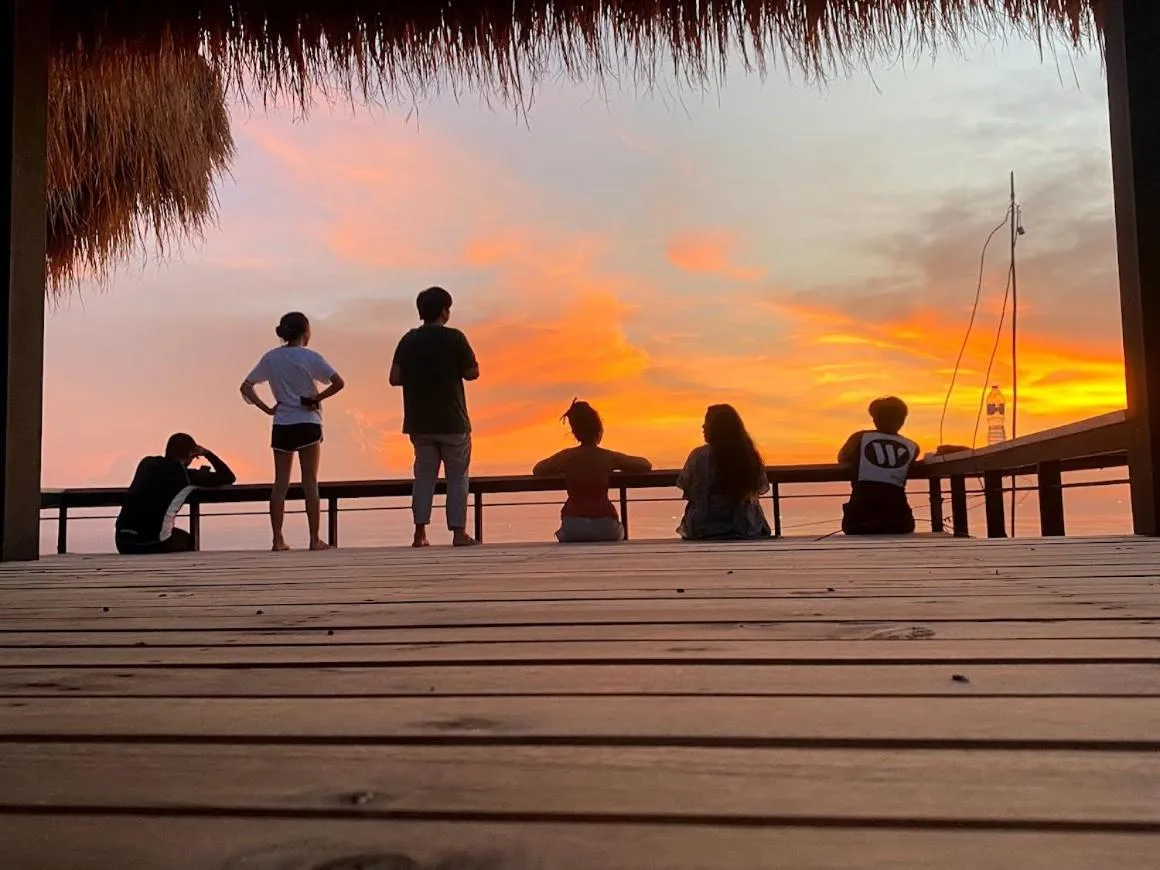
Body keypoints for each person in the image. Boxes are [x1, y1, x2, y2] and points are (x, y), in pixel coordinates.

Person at [240, 312, 345, 552]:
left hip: (282, 424)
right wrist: (317, 398)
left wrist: (267, 408)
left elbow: (246, 386)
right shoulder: (311, 357)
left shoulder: (271, 358)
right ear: (305, 332)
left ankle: (277, 539)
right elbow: (339, 382)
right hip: (307, 422)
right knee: (310, 482)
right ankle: (314, 538)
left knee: (280, 484)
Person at [390, 286, 480, 548]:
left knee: (424, 477)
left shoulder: (408, 340)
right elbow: (472, 372)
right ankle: (458, 533)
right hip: (453, 421)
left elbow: (394, 378)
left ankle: (419, 533)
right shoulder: (455, 338)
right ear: (444, 311)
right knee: (457, 478)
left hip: (420, 422)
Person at [532, 400, 653, 542]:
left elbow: (538, 469)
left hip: (574, 525)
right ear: (598, 430)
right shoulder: (608, 457)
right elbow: (645, 465)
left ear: (575, 432)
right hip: (605, 525)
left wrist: (562, 469)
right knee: (620, 531)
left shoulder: (567, 457)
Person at [115, 433, 235, 554]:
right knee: (188, 541)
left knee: (173, 534)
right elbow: (229, 477)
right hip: (152, 543)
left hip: (122, 541)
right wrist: (207, 454)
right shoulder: (186, 476)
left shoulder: (146, 463)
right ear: (191, 454)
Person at [677, 404, 771, 540]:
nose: (703, 427)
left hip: (704, 527)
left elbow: (686, 485)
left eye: (706, 422)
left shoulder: (699, 456)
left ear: (716, 427)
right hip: (744, 526)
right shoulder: (748, 456)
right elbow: (760, 486)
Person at [837, 396, 919, 535]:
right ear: (903, 420)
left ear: (875, 419)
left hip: (858, 520)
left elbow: (842, 458)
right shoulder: (912, 446)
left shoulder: (859, 438)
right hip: (900, 521)